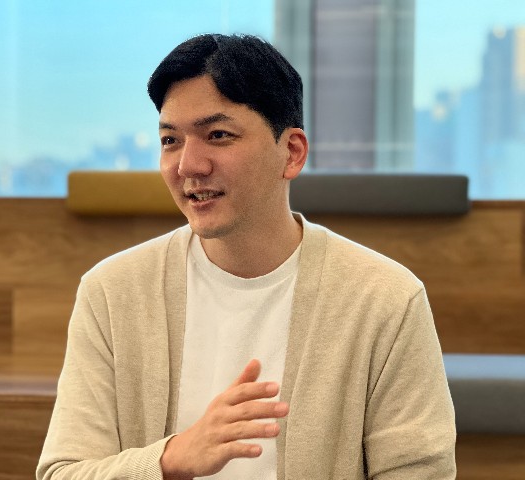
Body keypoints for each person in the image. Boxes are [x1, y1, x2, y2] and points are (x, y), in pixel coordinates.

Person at [37, 34, 456, 479]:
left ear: (291, 153)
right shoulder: (111, 292)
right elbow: (63, 472)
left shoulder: (387, 299)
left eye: (218, 135)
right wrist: (170, 460)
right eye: (170, 140)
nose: (188, 165)